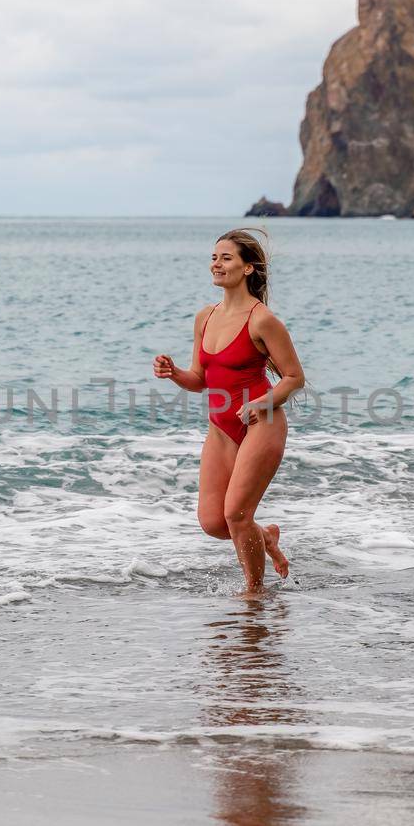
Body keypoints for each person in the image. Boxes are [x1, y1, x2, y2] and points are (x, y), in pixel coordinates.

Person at [153, 229, 305, 597]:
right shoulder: (205, 317)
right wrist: (175, 374)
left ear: (248, 268)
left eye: (226, 258)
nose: (216, 264)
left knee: (236, 514)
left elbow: (294, 378)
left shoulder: (262, 320)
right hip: (221, 427)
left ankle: (255, 593)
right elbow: (200, 380)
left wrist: (262, 403)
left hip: (261, 423)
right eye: (214, 257)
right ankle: (265, 536)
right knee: (213, 522)